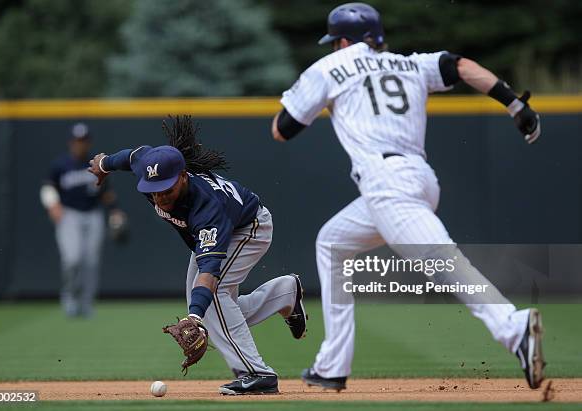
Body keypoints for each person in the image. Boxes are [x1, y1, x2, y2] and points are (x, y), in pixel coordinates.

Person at [271, 2, 544, 391]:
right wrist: (514, 104)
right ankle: (331, 366)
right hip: (418, 179)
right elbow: (461, 65)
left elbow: (282, 129)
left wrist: (324, 95)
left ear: (344, 41)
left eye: (335, 41)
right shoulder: (411, 64)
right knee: (332, 243)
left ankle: (513, 327)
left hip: (387, 183)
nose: (334, 47)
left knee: (444, 261)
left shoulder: (331, 67)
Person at [87, 115, 307, 395]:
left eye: (166, 189)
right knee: (210, 308)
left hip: (249, 229)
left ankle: (257, 373)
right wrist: (104, 164)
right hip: (226, 228)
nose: (160, 197)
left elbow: (209, 271)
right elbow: (131, 157)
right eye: (153, 191)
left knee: (211, 298)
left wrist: (195, 318)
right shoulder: (149, 166)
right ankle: (285, 293)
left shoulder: (206, 208)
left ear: (182, 176)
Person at [40, 123, 125, 318]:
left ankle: (86, 303)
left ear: (88, 142)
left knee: (91, 262)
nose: (81, 145)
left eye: (84, 141)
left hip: (93, 214)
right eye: (78, 141)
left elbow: (106, 192)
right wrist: (52, 204)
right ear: (71, 143)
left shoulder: (95, 164)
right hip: (69, 215)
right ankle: (69, 298)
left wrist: (115, 211)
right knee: (72, 259)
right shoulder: (61, 165)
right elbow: (48, 186)